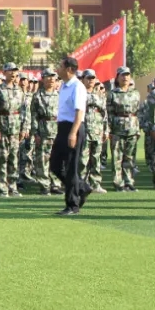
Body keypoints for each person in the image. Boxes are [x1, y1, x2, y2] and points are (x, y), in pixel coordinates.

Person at [51, 56, 91, 216]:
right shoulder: (63, 85)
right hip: (62, 128)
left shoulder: (77, 86)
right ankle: (81, 187)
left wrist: (73, 133)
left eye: (60, 66)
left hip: (73, 127)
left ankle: (72, 205)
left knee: (70, 168)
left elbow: (79, 112)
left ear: (69, 69)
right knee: (55, 165)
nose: (57, 69)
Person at [0, 63, 30, 197]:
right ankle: (2, 187)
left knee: (14, 158)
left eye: (15, 71)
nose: (13, 73)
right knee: (1, 158)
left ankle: (13, 186)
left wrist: (24, 128)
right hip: (2, 127)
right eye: (10, 71)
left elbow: (25, 111)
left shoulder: (19, 90)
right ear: (4, 72)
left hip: (15, 128)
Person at [107, 67, 140, 193]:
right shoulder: (113, 94)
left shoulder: (135, 93)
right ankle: (118, 183)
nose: (125, 77)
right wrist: (109, 129)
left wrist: (137, 129)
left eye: (127, 75)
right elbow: (109, 113)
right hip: (118, 128)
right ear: (118, 77)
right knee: (117, 157)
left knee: (130, 157)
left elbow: (137, 112)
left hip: (132, 127)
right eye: (122, 75)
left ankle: (129, 182)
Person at [30, 69, 61, 195]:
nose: (51, 79)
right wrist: (35, 133)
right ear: (43, 79)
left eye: (53, 77)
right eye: (48, 77)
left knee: (56, 158)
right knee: (42, 159)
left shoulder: (59, 95)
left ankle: (56, 184)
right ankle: (44, 185)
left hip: (57, 130)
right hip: (43, 129)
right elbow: (33, 116)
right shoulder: (37, 96)